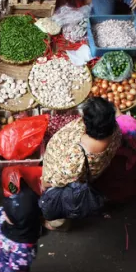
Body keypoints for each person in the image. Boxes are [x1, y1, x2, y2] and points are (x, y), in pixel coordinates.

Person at [41, 98, 122, 230]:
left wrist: (44, 184)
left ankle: (56, 224)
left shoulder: (74, 159)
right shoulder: (115, 133)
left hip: (63, 181)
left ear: (85, 122)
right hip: (90, 173)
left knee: (60, 205)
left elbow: (54, 182)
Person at [91, 112, 136, 204]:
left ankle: (112, 199)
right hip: (129, 164)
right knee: (126, 181)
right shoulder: (131, 125)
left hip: (114, 170)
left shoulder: (108, 148)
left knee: (112, 184)